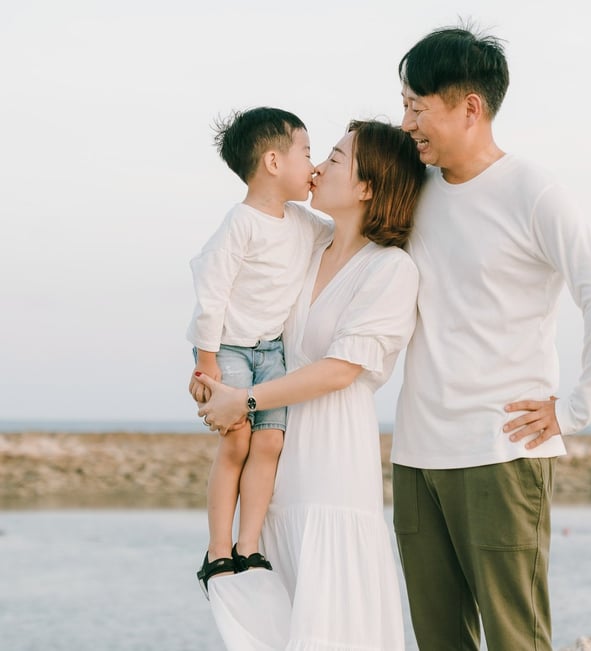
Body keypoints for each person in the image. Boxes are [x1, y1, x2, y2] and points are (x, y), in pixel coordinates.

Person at [392, 24, 591, 651]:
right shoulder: (415, 188)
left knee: (514, 637)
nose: (407, 120)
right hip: (417, 451)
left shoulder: (533, 190)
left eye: (417, 105)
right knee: (437, 637)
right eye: (404, 105)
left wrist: (576, 408)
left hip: (499, 448)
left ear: (470, 107)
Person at [194, 119, 426, 650]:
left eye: (337, 159)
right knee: (274, 613)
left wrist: (244, 400)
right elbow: (233, 293)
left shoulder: (389, 269)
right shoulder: (304, 242)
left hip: (332, 464)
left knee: (331, 619)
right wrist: (211, 368)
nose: (318, 166)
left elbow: (341, 370)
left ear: (368, 186)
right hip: (278, 466)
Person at [186, 106, 333, 598]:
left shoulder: (303, 222)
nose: (313, 166)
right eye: (307, 153)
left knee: (269, 443)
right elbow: (212, 292)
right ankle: (216, 548)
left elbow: (342, 235)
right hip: (226, 346)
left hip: (271, 350)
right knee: (236, 441)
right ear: (273, 161)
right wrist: (206, 362)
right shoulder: (241, 224)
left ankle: (249, 544)